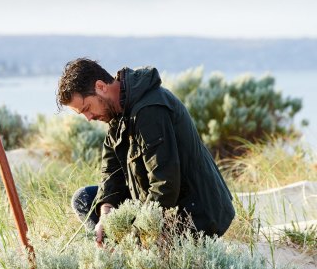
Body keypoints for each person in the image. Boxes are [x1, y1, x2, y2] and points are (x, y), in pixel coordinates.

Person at [57, 58, 235, 243]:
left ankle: (128, 257)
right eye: (82, 113)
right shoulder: (116, 112)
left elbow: (164, 184)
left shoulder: (150, 111)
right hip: (153, 202)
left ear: (101, 87)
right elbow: (111, 172)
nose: (88, 117)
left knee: (137, 248)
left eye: (87, 108)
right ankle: (115, 254)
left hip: (194, 213)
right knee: (85, 199)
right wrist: (106, 214)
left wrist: (138, 236)